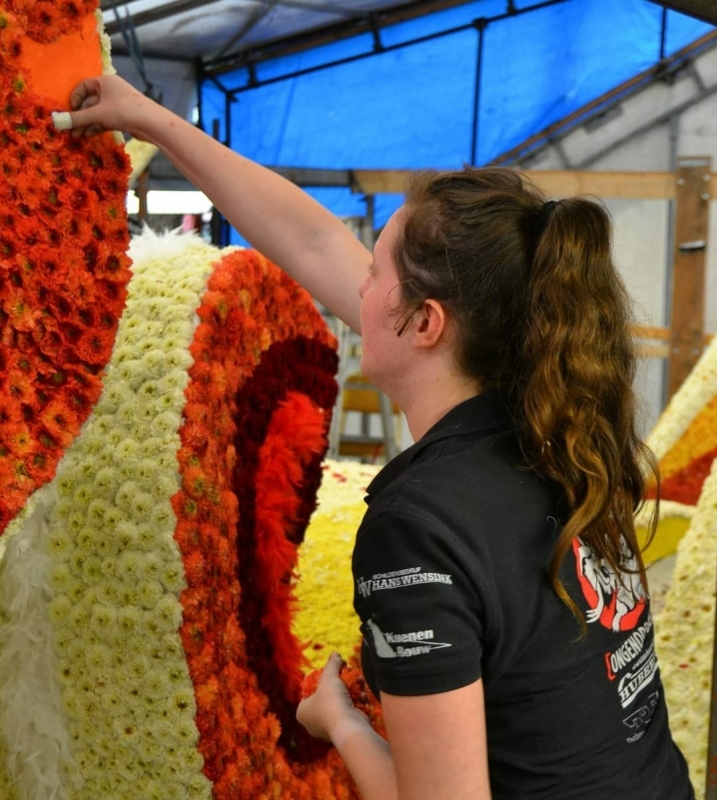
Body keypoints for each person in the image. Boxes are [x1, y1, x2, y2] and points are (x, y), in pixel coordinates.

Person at [62, 76, 694, 800]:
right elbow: (307, 239)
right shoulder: (555, 432)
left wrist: (342, 723)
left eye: (376, 271)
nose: (357, 287)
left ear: (426, 324)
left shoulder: (420, 529)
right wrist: (153, 121)